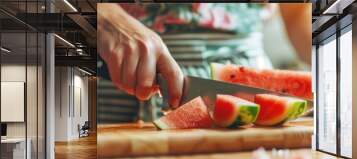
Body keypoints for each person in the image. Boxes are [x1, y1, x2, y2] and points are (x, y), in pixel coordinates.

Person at [97, 3, 311, 123]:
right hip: (125, 74)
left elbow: (296, 12)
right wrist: (104, 16)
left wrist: (334, 55)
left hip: (250, 90)